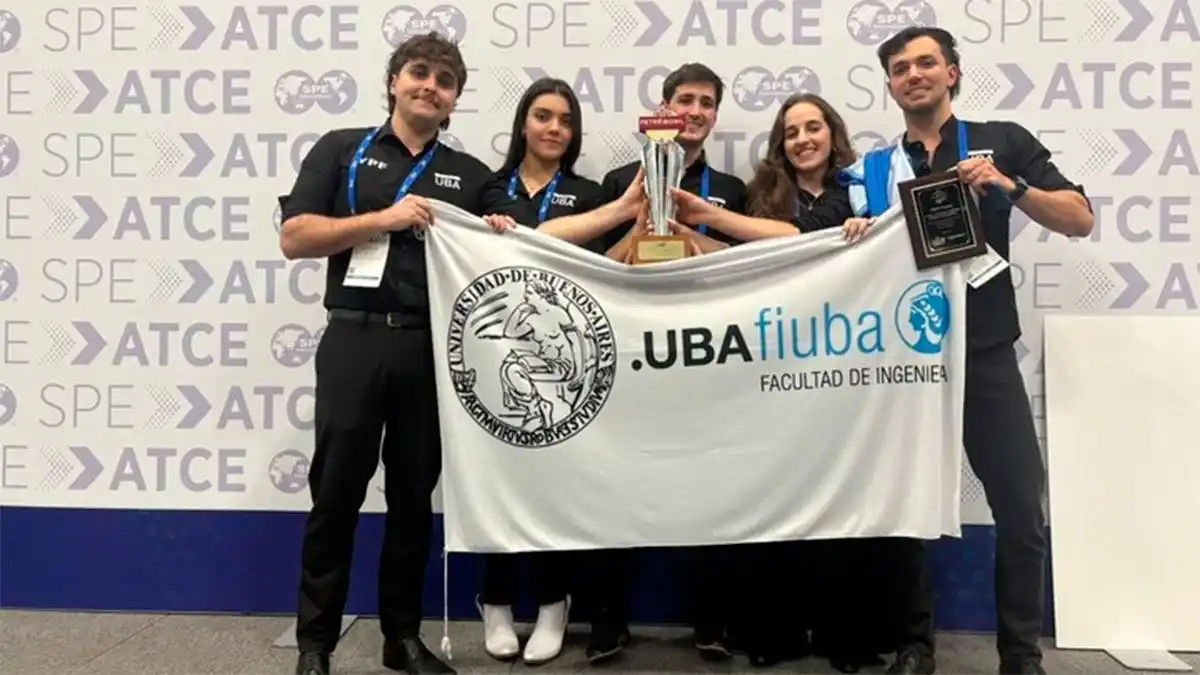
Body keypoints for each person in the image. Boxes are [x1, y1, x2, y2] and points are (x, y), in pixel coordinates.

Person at [837, 26, 1094, 675]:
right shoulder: (874, 169)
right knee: (909, 512)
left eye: (926, 62)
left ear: (952, 72)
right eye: (900, 67)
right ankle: (916, 648)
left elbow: (1080, 217)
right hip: (908, 358)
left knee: (1021, 510)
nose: (913, 74)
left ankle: (1020, 657)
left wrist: (1009, 187)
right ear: (890, 85)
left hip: (984, 352)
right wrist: (857, 234)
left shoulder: (1003, 140)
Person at [278, 32, 514, 675]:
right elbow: (296, 237)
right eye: (419, 73)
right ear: (393, 81)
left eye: (444, 81)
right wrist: (380, 219)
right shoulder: (339, 149)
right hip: (353, 337)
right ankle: (315, 645)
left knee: (414, 499)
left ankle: (401, 640)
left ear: (455, 101)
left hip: (427, 349)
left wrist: (502, 228)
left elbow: (522, 235)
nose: (429, 86)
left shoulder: (468, 176)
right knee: (335, 495)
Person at [672, 92, 907, 674]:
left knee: (847, 499)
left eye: (814, 127)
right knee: (776, 495)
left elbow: (873, 249)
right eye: (792, 130)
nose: (804, 138)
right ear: (780, 143)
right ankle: (771, 632)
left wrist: (870, 232)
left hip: (848, 363)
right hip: (777, 361)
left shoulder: (865, 191)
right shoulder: (762, 197)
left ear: (833, 134)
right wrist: (700, 235)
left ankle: (847, 636)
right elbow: (751, 255)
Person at [536, 62, 748, 666]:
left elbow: (750, 266)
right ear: (663, 107)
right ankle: (608, 621)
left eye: (708, 102)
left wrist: (693, 231)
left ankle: (712, 622)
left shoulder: (729, 190)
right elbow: (596, 264)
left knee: (715, 490)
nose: (697, 110)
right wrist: (637, 226)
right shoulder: (618, 181)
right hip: (627, 358)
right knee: (614, 488)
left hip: (706, 360)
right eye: (686, 99)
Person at [471, 76, 606, 666]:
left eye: (566, 120)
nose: (554, 128)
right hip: (498, 361)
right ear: (523, 123)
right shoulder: (485, 189)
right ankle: (495, 602)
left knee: (555, 487)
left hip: (564, 362)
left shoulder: (591, 192)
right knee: (495, 482)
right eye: (543, 116)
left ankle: (554, 603)